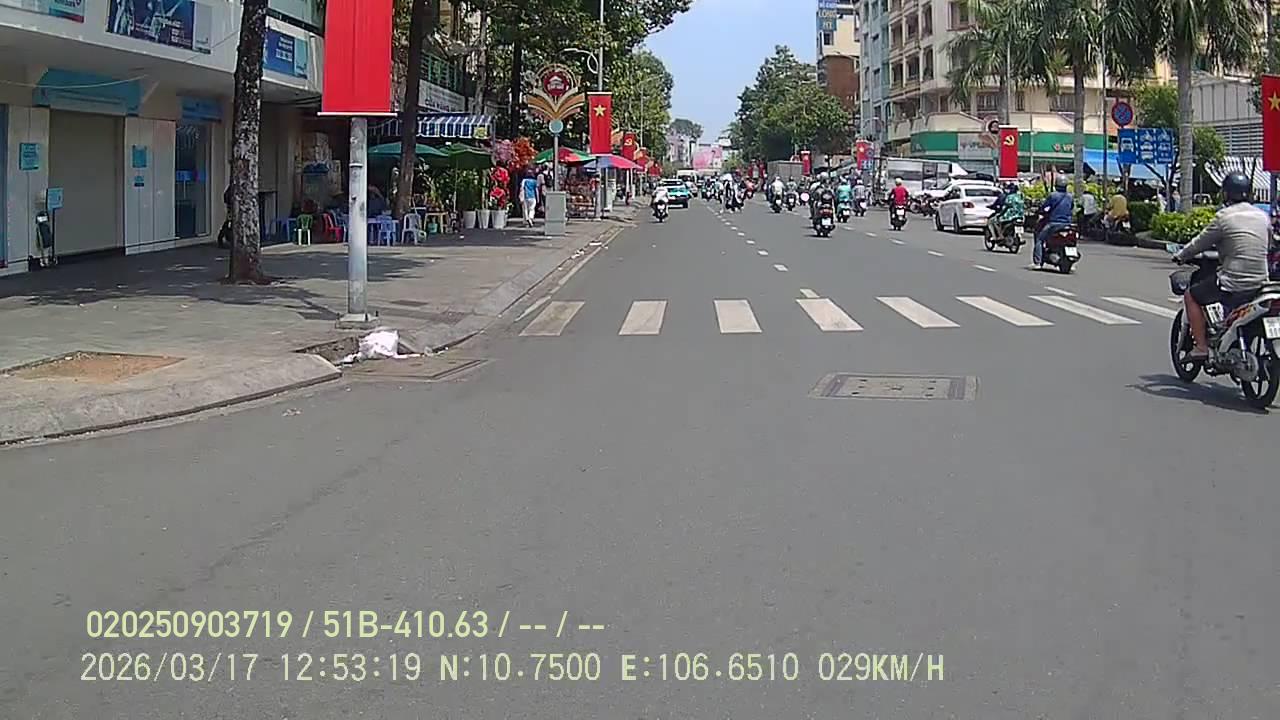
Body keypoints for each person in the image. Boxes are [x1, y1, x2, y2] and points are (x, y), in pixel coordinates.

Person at [1172, 171, 1271, 359]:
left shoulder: (1223, 217)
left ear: (1225, 193)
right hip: (1261, 282)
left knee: (1191, 295)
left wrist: (1181, 255)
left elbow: (1199, 243)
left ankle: (1201, 347)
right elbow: (1269, 244)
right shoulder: (1262, 216)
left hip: (1233, 283)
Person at [1032, 178, 1073, 269]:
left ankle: (1037, 262)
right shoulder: (1070, 196)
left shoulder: (1053, 196)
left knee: (1039, 239)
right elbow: (1071, 208)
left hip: (1054, 223)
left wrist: (1041, 211)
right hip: (1067, 224)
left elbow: (1045, 207)